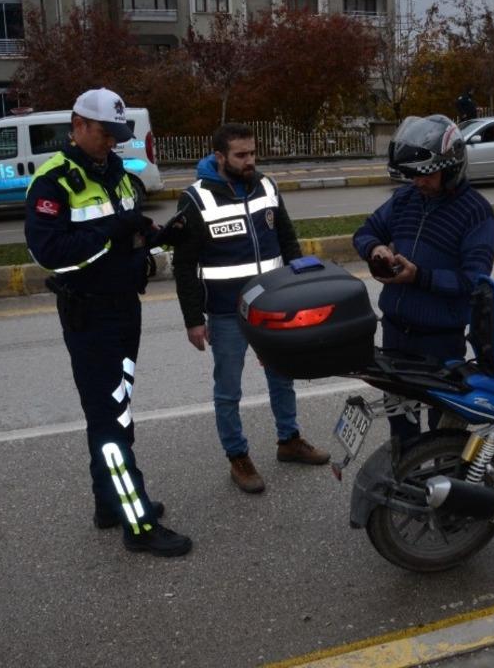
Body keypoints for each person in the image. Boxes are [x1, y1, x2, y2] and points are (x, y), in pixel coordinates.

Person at [25, 88, 192, 558]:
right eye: (104, 133)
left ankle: (108, 503)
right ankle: (138, 523)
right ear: (78, 125)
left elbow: (126, 236)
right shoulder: (54, 180)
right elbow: (49, 253)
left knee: (117, 410)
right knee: (109, 421)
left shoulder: (116, 172)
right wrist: (110, 233)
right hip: (89, 312)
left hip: (124, 307)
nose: (111, 142)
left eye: (118, 135)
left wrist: (155, 237)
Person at [171, 123, 330, 495]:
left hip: (273, 305)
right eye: (240, 155)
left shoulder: (267, 186)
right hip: (226, 311)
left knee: (282, 376)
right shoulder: (195, 199)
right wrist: (193, 319)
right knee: (229, 389)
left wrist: (299, 290)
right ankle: (237, 457)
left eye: (253, 153)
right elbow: (184, 265)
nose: (250, 161)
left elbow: (287, 240)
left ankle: (289, 440)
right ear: (219, 157)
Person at [353, 115, 494, 444]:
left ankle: (441, 472)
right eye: (414, 175)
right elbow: (365, 231)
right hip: (394, 334)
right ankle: (403, 471)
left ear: (452, 168)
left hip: (440, 342)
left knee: (443, 431)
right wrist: (375, 249)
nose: (419, 182)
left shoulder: (476, 213)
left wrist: (419, 276)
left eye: (427, 174)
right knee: (400, 426)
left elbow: (473, 281)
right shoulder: (405, 199)